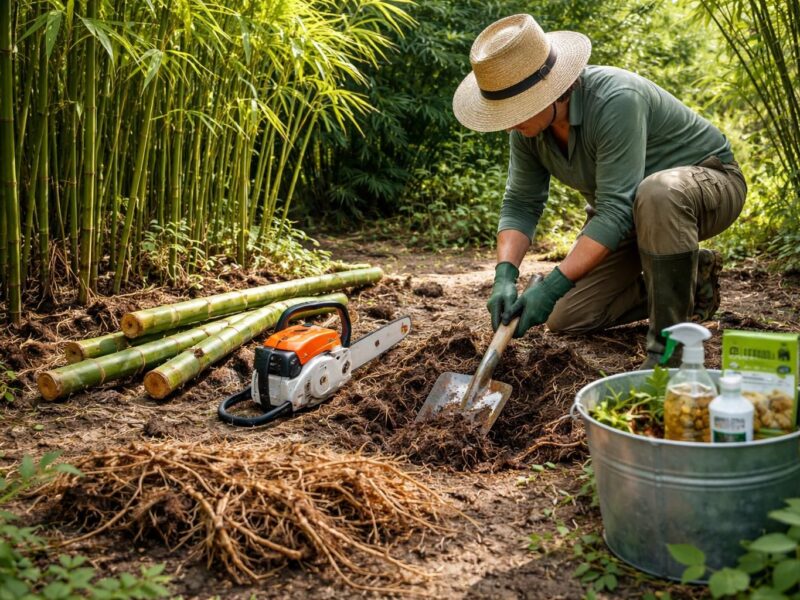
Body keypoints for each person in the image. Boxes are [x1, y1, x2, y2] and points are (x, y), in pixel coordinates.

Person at [452, 14, 746, 367]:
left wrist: (552, 283)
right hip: (632, 213)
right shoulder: (528, 129)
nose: (510, 122)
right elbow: (521, 203)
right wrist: (504, 276)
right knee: (567, 317)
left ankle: (669, 352)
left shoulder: (615, 99)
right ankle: (692, 280)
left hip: (705, 188)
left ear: (552, 90)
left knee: (656, 192)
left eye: (516, 109)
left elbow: (614, 211)